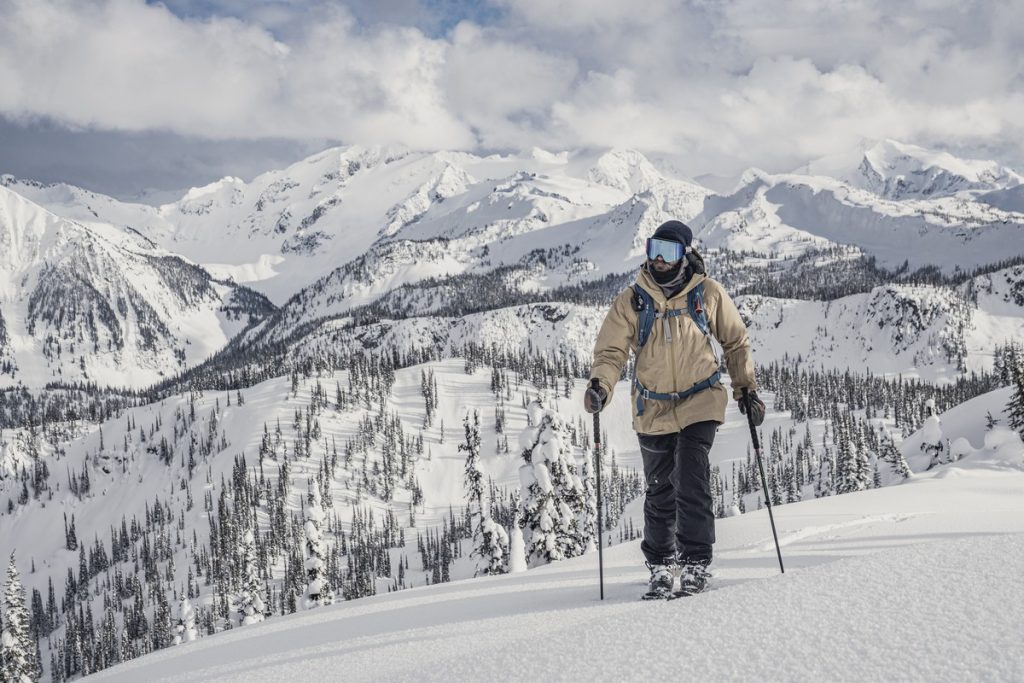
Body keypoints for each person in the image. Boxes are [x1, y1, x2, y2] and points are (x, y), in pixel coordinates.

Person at [585, 219, 764, 598]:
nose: (660, 261)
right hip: (653, 408)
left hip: (701, 399)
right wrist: (601, 385)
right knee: (659, 490)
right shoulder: (632, 300)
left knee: (690, 476)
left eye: (669, 252)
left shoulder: (708, 294)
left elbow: (735, 341)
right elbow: (611, 351)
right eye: (654, 251)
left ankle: (696, 561)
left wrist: (746, 389)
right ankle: (661, 564)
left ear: (685, 254)